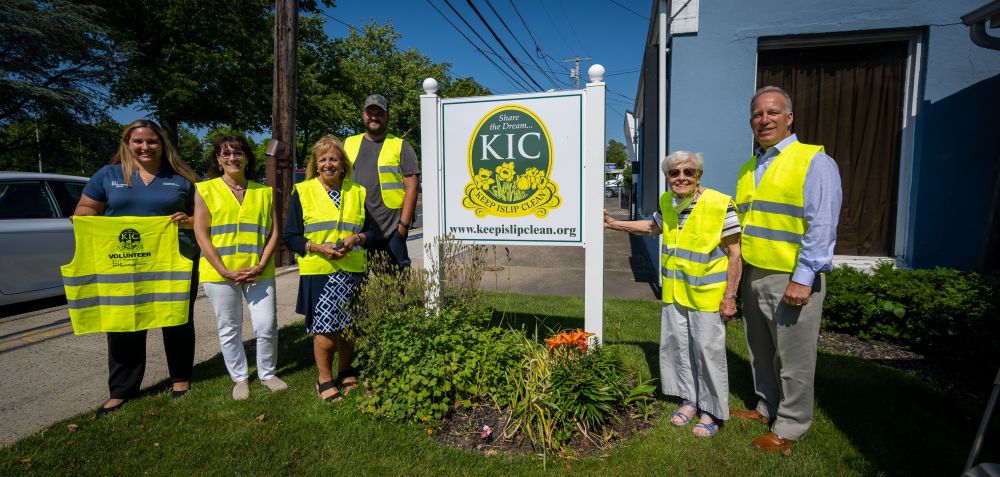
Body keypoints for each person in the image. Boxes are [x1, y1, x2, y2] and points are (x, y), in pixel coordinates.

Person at [731, 86, 842, 453]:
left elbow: (822, 225)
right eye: (758, 115)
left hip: (791, 277)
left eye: (773, 112)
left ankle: (790, 428)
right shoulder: (751, 168)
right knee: (760, 351)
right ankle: (767, 407)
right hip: (755, 275)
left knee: (793, 359)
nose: (765, 120)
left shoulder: (813, 162)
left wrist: (803, 278)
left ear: (789, 118)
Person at [604, 151, 742, 438]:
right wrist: (614, 224)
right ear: (668, 178)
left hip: (706, 295)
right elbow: (653, 227)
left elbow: (735, 253)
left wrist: (730, 297)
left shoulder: (720, 203)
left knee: (707, 352)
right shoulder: (668, 202)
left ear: (699, 176)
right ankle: (690, 401)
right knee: (679, 348)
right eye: (674, 173)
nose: (681, 178)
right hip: (675, 293)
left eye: (688, 172)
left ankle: (712, 410)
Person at [72, 119, 200, 416]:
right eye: (138, 141)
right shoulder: (108, 175)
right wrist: (83, 218)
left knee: (177, 320)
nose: (145, 147)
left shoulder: (181, 179)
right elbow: (87, 207)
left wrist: (188, 222)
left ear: (162, 144)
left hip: (173, 262)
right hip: (124, 264)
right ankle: (122, 390)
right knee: (123, 324)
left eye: (152, 141)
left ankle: (180, 379)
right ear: (127, 144)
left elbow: (202, 220)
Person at [193, 135, 286, 400]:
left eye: (238, 153)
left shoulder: (263, 192)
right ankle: (240, 378)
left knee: (266, 324)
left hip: (258, 271)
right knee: (229, 328)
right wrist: (224, 270)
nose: (232, 158)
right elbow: (202, 234)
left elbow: (274, 234)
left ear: (246, 157)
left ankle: (267, 373)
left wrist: (259, 265)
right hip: (220, 274)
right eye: (226, 154)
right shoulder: (205, 189)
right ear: (218, 160)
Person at [283, 135, 372, 402]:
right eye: (323, 160)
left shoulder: (357, 191)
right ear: (316, 164)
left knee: (349, 328)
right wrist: (319, 247)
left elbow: (372, 231)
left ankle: (345, 370)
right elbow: (291, 236)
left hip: (352, 269)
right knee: (325, 330)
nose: (328, 164)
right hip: (319, 271)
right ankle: (324, 379)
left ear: (343, 164)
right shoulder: (304, 190)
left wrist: (355, 239)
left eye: (334, 159)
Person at [343, 94, 419, 271]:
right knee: (358, 287)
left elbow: (412, 186)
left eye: (380, 113)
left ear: (388, 117)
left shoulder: (401, 145)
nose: (374, 117)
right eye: (370, 112)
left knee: (394, 289)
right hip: (356, 229)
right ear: (363, 115)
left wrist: (403, 227)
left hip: (391, 230)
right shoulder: (348, 143)